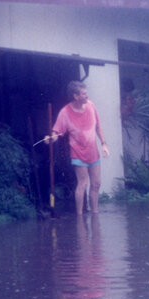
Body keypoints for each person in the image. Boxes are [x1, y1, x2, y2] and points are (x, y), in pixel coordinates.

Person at [46, 81, 111, 215]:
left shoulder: (91, 106)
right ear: (76, 96)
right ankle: (80, 216)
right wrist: (51, 138)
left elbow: (98, 126)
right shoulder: (65, 112)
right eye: (84, 94)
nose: (87, 96)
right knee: (83, 183)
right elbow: (57, 132)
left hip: (93, 152)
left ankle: (95, 214)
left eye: (86, 93)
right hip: (77, 153)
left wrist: (104, 144)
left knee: (96, 184)